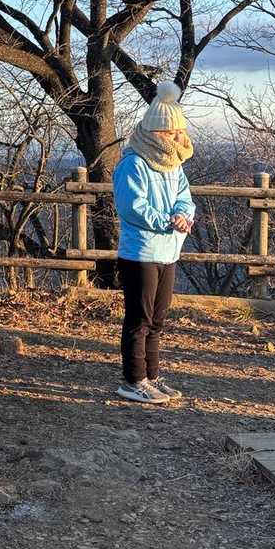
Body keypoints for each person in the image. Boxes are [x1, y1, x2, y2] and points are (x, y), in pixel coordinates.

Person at [112, 81, 195, 405]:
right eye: (173, 133)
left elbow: (184, 198)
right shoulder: (133, 163)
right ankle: (134, 381)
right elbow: (132, 207)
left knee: (157, 321)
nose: (179, 138)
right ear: (157, 132)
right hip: (140, 253)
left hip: (168, 251)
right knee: (140, 320)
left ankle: (152, 377)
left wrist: (182, 216)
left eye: (179, 132)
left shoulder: (174, 165)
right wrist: (167, 221)